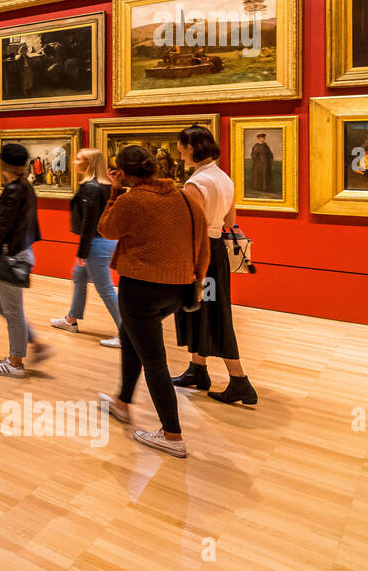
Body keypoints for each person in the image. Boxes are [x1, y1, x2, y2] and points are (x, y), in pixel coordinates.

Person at [97, 145, 210, 458]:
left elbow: (107, 230)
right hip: (178, 288)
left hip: (141, 289)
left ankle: (172, 435)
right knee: (132, 340)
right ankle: (122, 403)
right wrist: (197, 281)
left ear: (123, 171)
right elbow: (201, 245)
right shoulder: (185, 197)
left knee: (154, 359)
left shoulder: (132, 199)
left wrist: (114, 193)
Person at [173, 125, 258, 405]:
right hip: (217, 250)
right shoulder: (223, 178)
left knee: (213, 312)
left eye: (181, 148)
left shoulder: (195, 184)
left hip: (201, 254)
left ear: (191, 148)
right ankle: (198, 369)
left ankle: (239, 380)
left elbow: (191, 227)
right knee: (206, 310)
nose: (179, 153)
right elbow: (228, 220)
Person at [0, 143, 52, 378]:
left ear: (5, 166)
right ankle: (36, 344)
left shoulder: (14, 190)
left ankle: (15, 363)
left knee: (13, 311)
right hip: (16, 253)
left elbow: (3, 226)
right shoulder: (24, 186)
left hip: (12, 256)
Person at [51, 148, 122, 347]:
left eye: (79, 159)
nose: (74, 162)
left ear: (89, 164)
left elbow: (89, 222)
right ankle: (71, 319)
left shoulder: (91, 187)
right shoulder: (104, 185)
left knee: (106, 289)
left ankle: (127, 333)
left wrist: (83, 251)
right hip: (103, 241)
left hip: (96, 243)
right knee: (79, 276)